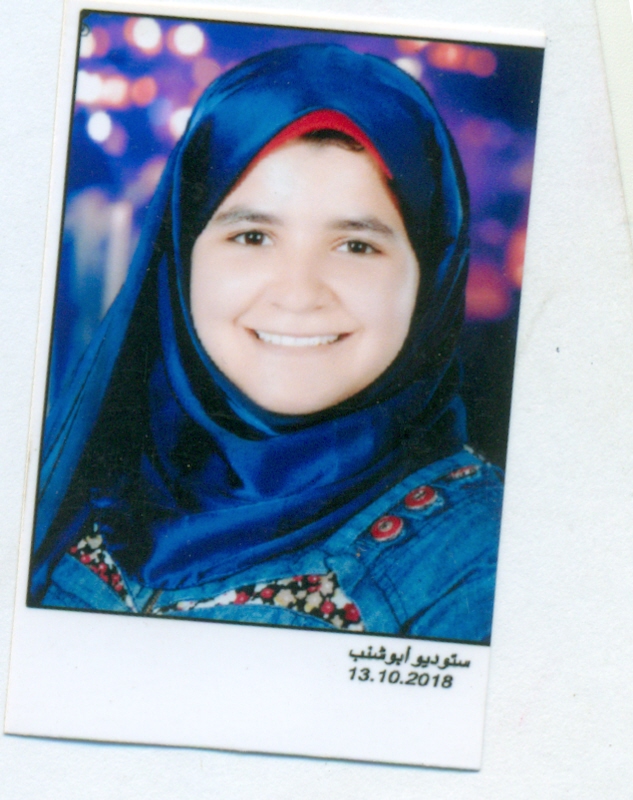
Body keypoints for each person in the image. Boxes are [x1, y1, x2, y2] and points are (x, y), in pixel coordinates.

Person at [29, 43, 503, 642]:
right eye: (253, 236)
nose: (298, 294)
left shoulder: (478, 565)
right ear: (181, 256)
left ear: (431, 276)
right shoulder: (87, 464)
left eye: (357, 246)